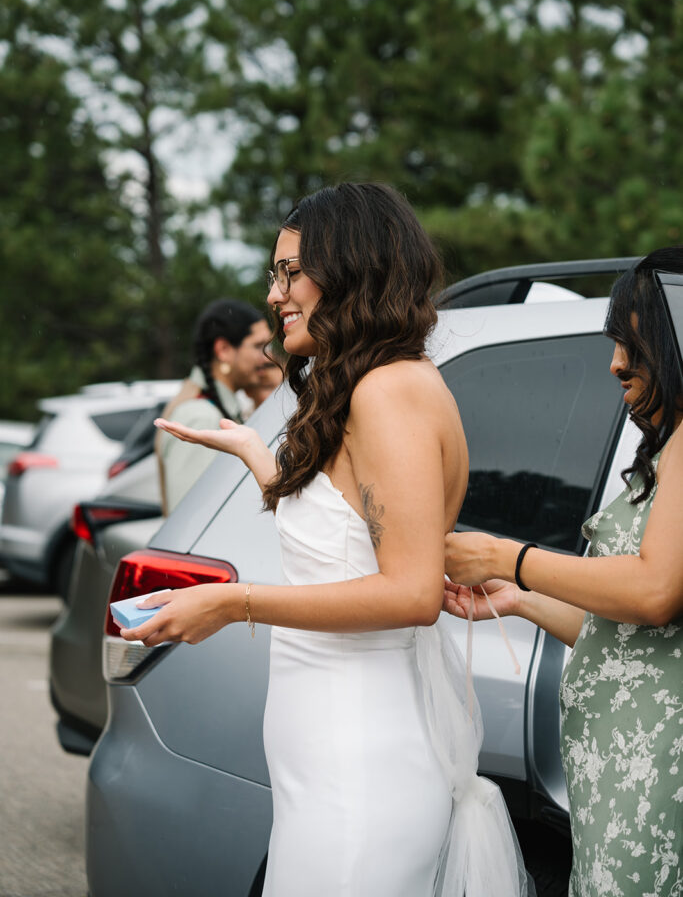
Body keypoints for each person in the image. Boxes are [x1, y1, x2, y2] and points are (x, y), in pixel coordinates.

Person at [122, 183, 530, 897]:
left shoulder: (389, 392)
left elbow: (410, 593)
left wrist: (234, 604)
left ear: (350, 269)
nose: (273, 295)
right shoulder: (377, 385)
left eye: (290, 273)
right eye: (273, 274)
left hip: (359, 770)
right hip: (328, 762)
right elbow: (344, 538)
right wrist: (258, 457)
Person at [443, 246, 683, 897]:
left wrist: (508, 557)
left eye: (630, 340)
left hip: (656, 770)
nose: (615, 363)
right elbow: (624, 636)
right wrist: (517, 598)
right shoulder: (667, 448)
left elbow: (655, 592)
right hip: (617, 772)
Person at [156, 298, 271, 513]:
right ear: (224, 349)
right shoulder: (199, 416)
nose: (267, 357)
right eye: (258, 346)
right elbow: (191, 516)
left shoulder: (211, 408)